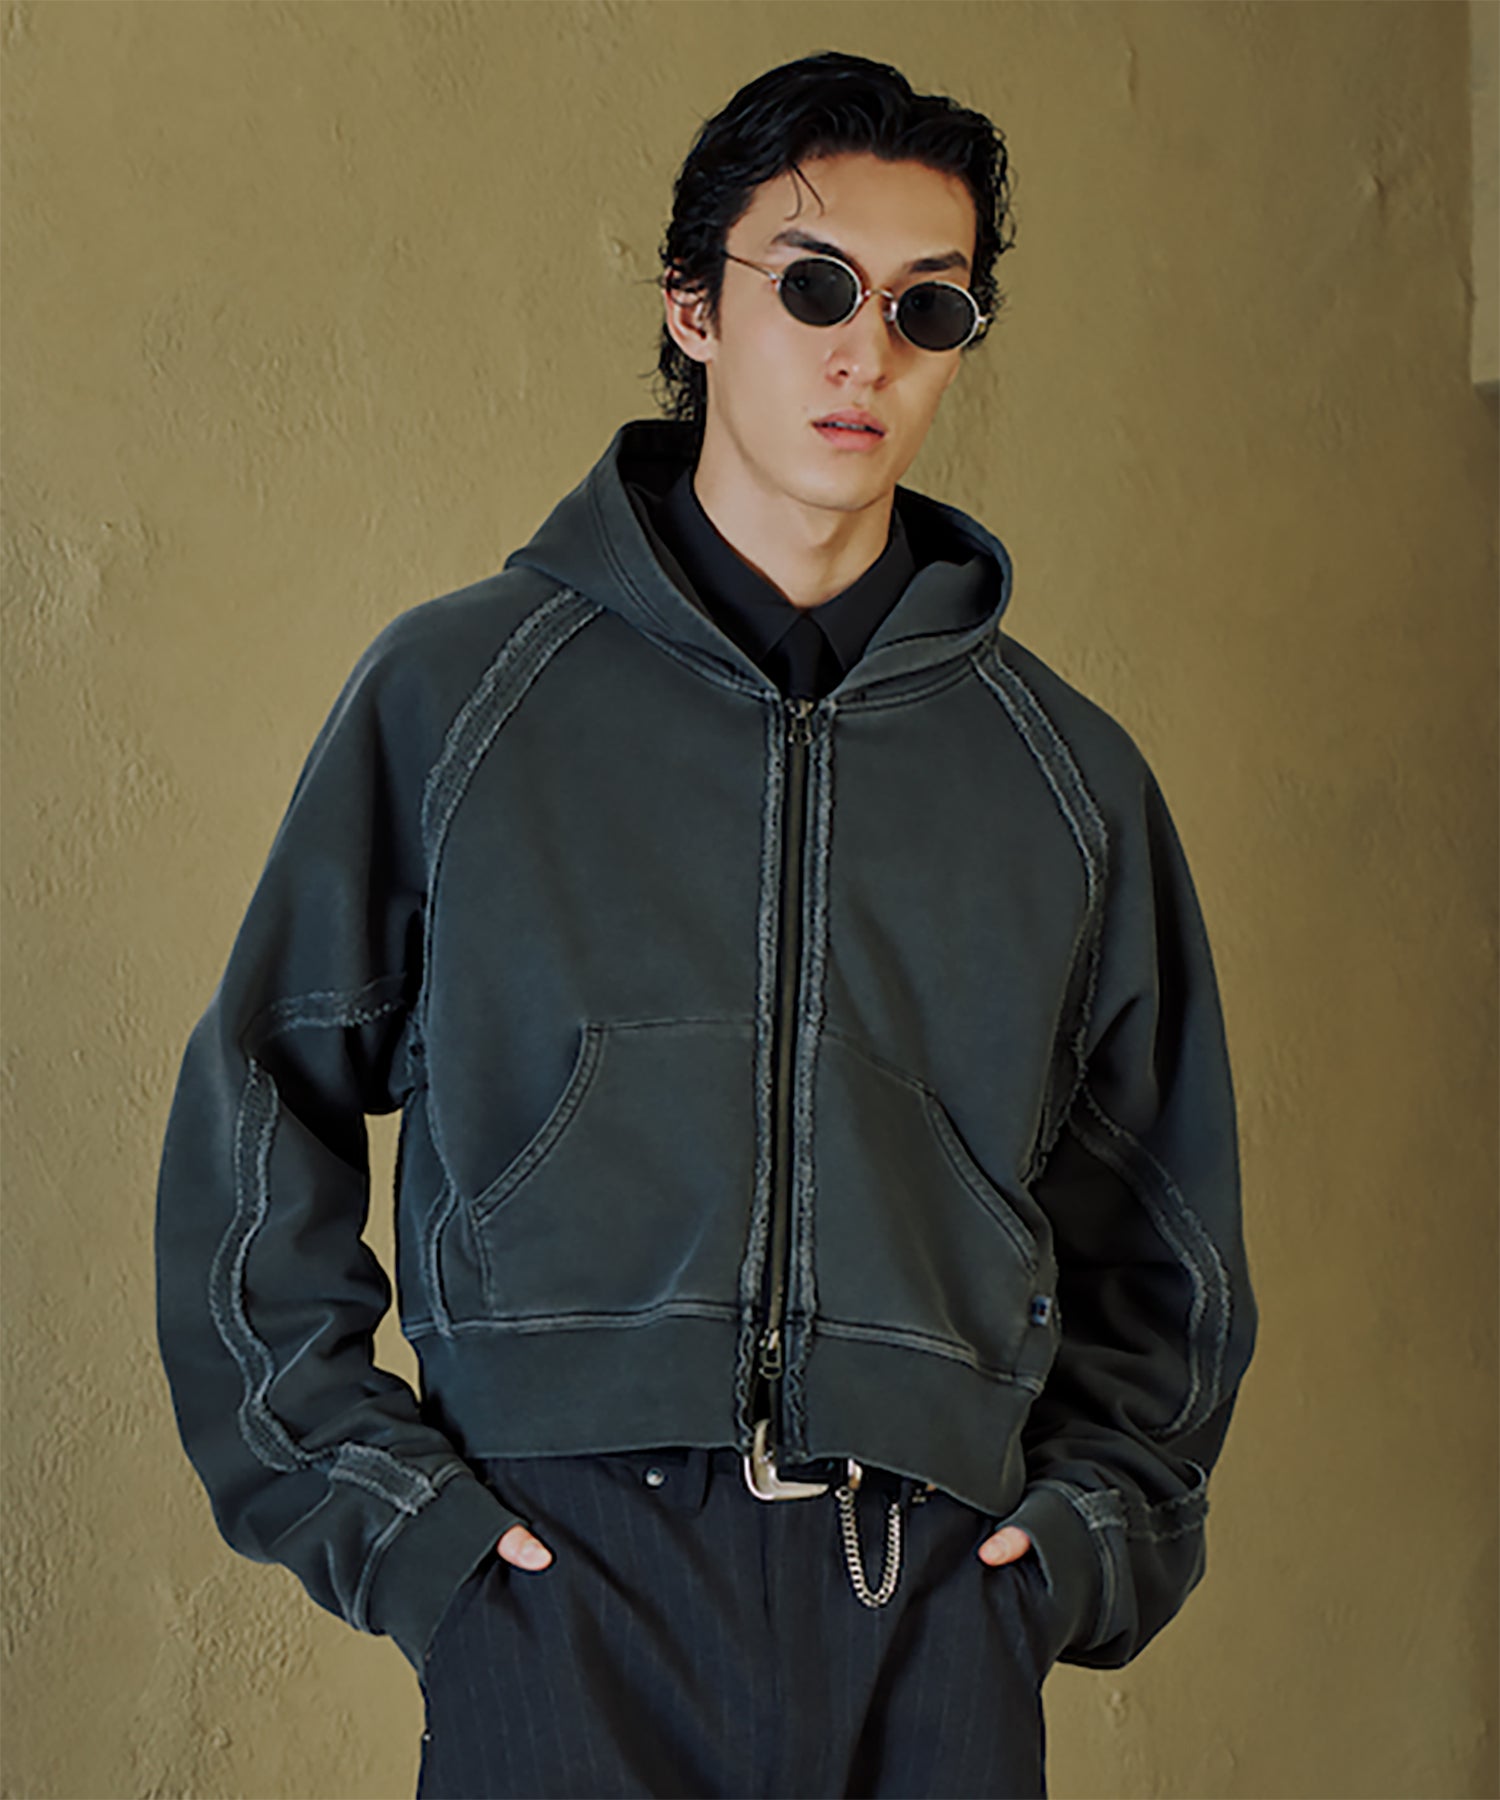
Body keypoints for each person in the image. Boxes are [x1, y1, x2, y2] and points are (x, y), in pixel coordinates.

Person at [154, 49, 1258, 1800]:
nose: (865, 351)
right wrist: (409, 1535)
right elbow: (257, 1103)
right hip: (559, 1582)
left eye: (928, 306)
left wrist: (1068, 1559)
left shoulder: (1066, 780)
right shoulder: (460, 699)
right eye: (814, 286)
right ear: (693, 305)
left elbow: (1169, 1239)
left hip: (932, 1598)